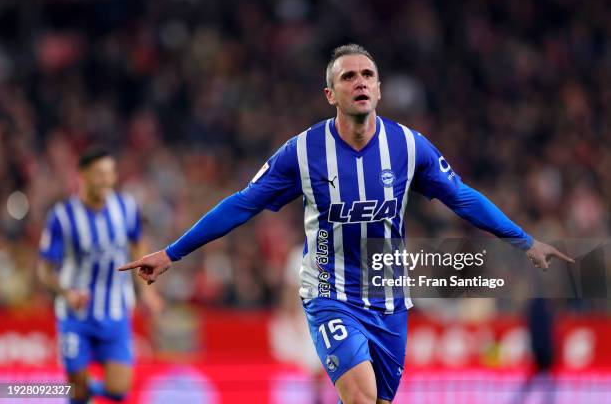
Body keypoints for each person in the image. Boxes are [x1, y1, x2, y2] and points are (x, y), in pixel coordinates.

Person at [119, 44, 573, 404]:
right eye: (348, 76)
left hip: (389, 300)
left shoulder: (410, 147)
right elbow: (242, 204)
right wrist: (172, 252)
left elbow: (464, 198)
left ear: (379, 89)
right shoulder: (301, 152)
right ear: (331, 94)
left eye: (368, 75)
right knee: (360, 396)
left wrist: (525, 240)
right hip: (330, 296)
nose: (360, 82)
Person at [38, 148, 162, 404]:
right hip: (75, 316)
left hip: (116, 313)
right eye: (99, 174)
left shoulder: (126, 208)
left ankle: (85, 390)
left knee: (118, 389)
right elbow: (44, 269)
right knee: (77, 392)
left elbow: (138, 244)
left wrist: (148, 293)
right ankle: (80, 390)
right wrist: (66, 293)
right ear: (82, 175)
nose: (106, 180)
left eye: (110, 173)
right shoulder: (62, 217)